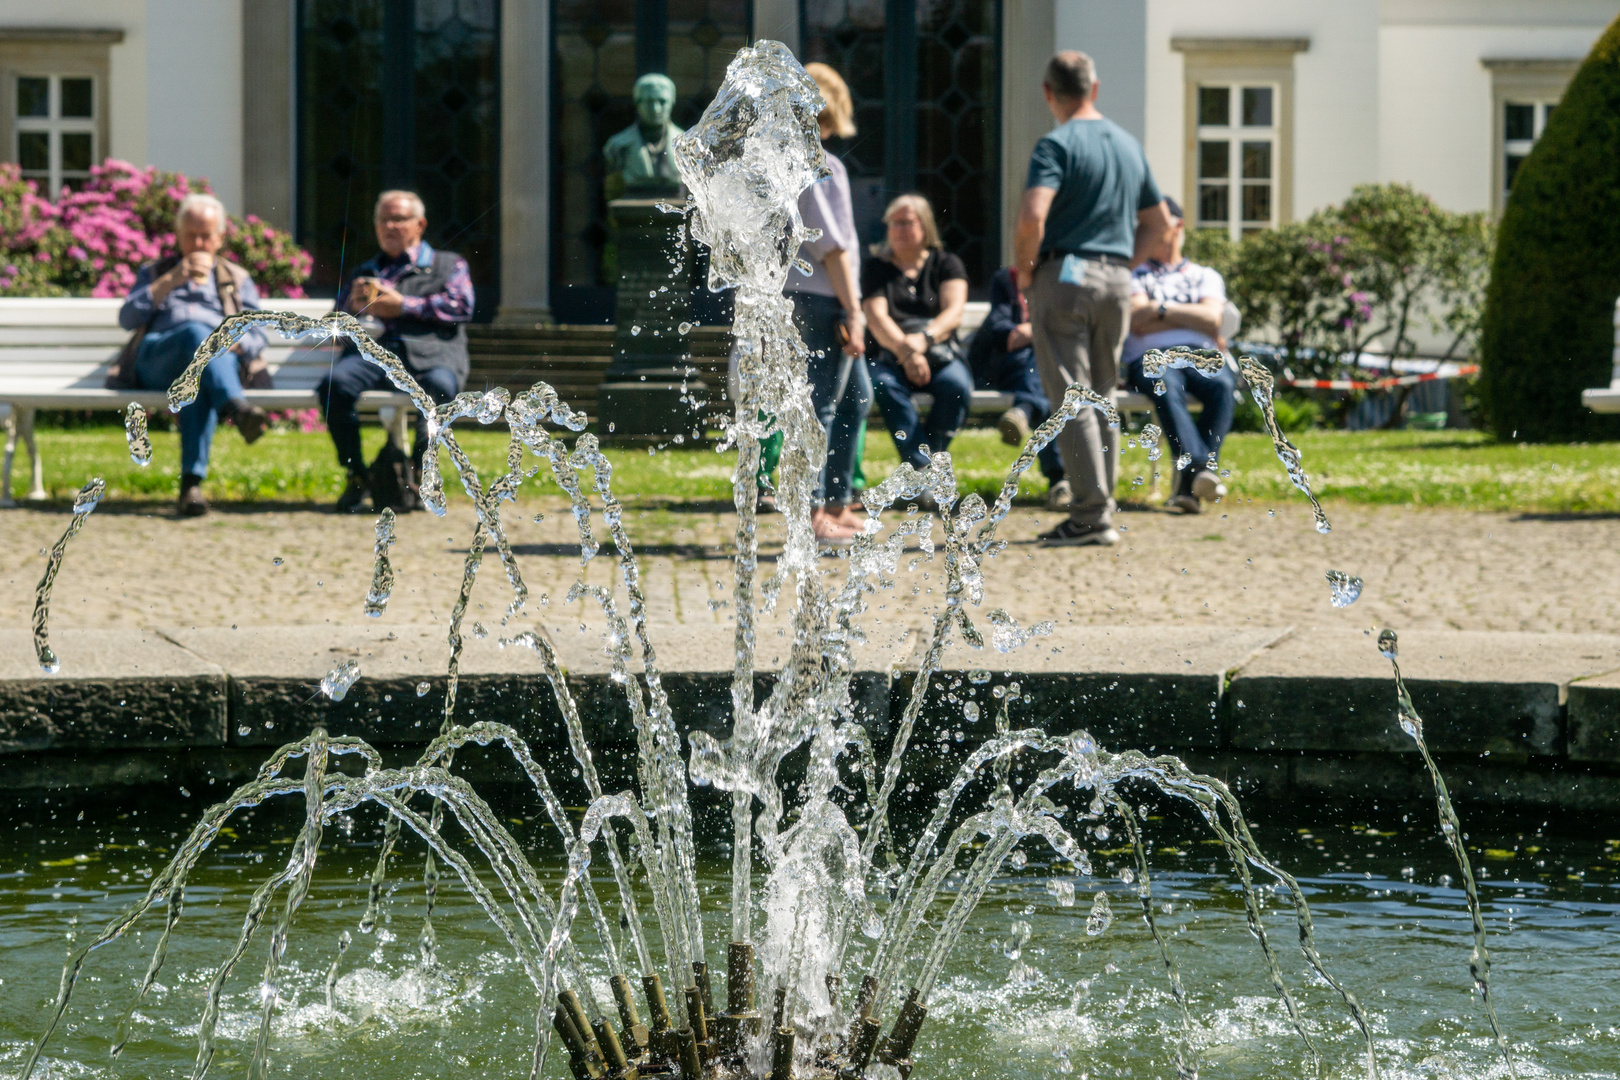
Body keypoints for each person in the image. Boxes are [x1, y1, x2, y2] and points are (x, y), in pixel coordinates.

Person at [1012, 50, 1172, 546]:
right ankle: (1100, 507)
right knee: (1103, 397)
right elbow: (1160, 223)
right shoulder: (1127, 145)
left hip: (1066, 274)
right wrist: (1125, 264)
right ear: (1095, 89)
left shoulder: (1055, 145)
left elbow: (1032, 218)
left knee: (1071, 397)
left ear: (1048, 94)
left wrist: (1026, 273)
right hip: (1116, 281)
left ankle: (1088, 515)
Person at [759, 62, 870, 543]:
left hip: (805, 296)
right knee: (822, 405)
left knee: (854, 397)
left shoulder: (783, 161)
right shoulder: (816, 163)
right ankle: (812, 514)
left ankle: (836, 501)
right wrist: (855, 311)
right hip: (823, 300)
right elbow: (834, 246)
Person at [318, 190, 474, 512]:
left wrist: (403, 305)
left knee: (441, 389)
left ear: (420, 224)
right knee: (334, 386)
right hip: (376, 358)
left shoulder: (449, 264)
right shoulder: (365, 271)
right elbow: (335, 325)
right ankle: (356, 473)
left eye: (399, 219)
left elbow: (462, 305)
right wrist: (353, 308)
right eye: (383, 219)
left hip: (432, 357)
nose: (390, 226)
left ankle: (418, 472)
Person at [118, 193, 270, 517]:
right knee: (194, 332)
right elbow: (127, 319)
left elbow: (258, 332)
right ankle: (235, 407)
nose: (199, 242)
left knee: (197, 374)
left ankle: (191, 487)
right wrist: (171, 280)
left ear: (220, 238)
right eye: (192, 235)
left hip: (208, 367)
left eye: (206, 235)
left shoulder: (237, 278)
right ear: (178, 235)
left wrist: (236, 346)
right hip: (158, 357)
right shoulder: (156, 272)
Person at [1121, 195, 1236, 514]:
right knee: (1166, 386)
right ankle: (1201, 470)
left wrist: (1160, 309)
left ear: (1178, 226)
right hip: (1149, 356)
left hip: (1200, 353)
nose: (1147, 231)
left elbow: (1214, 319)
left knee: (1223, 386)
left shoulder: (1205, 275)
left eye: (1156, 224)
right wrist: (1189, 314)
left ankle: (1188, 485)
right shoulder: (1134, 273)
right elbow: (1137, 321)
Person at [862, 194, 972, 490]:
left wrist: (923, 341)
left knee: (957, 387)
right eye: (893, 223)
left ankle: (926, 466)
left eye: (906, 222)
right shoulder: (876, 268)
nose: (898, 229)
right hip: (890, 355)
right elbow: (876, 318)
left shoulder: (947, 263)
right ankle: (925, 469)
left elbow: (953, 313)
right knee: (882, 384)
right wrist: (906, 353)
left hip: (939, 353)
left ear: (925, 226)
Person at [969, 266, 1067, 507]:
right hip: (1011, 366)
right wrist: (1040, 333)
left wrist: (1033, 332)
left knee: (1043, 372)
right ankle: (1059, 481)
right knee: (1043, 375)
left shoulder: (1062, 279)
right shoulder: (1007, 279)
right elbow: (1000, 327)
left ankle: (1025, 409)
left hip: (1046, 368)